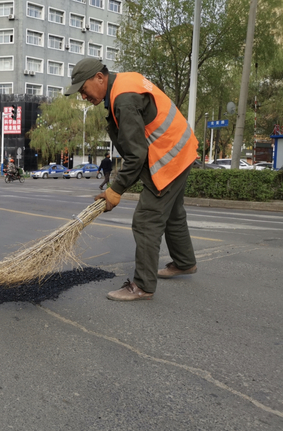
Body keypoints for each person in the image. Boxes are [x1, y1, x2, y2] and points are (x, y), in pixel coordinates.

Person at [65, 58, 198, 301]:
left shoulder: (123, 99)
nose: (83, 97)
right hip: (182, 148)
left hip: (170, 155)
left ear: (99, 77)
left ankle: (143, 286)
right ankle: (184, 262)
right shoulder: (123, 83)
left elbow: (136, 155)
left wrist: (115, 191)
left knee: (147, 220)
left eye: (83, 90)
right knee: (173, 212)